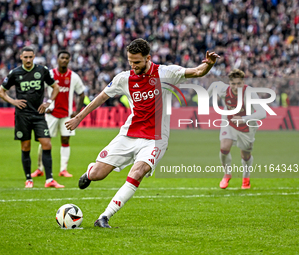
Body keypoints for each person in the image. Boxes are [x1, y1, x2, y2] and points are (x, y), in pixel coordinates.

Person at [65, 38, 220, 228]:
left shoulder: (165, 73)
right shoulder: (125, 78)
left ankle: (104, 217)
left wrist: (208, 65)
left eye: (137, 62)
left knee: (137, 172)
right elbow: (102, 97)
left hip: (155, 139)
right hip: (129, 134)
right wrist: (79, 117)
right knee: (98, 174)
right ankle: (90, 172)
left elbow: (196, 71)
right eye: (130, 61)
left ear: (148, 58)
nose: (133, 65)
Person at [0, 46, 64, 188]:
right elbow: (0, 92)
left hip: (39, 114)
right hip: (22, 116)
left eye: (30, 57)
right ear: (21, 57)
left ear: (34, 57)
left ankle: (49, 180)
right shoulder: (15, 73)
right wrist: (13, 101)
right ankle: (29, 179)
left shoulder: (42, 70)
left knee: (47, 143)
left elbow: (56, 87)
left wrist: (49, 102)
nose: (28, 60)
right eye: (25, 57)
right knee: (26, 146)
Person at [207, 69, 266, 189]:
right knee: (224, 147)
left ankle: (246, 178)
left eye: (239, 83)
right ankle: (227, 174)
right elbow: (214, 85)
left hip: (247, 125)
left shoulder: (249, 92)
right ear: (229, 83)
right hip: (229, 121)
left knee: (245, 155)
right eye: (233, 83)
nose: (236, 86)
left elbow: (262, 112)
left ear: (243, 83)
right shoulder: (224, 90)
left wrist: (243, 119)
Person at [31, 50, 85, 178]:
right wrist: (44, 104)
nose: (64, 60)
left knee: (65, 140)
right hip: (51, 114)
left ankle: (63, 169)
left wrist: (77, 112)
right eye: (62, 58)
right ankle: (40, 168)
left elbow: (81, 93)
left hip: (67, 115)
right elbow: (38, 89)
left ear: (69, 60)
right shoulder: (50, 74)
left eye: (67, 58)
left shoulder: (73, 76)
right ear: (58, 59)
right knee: (44, 141)